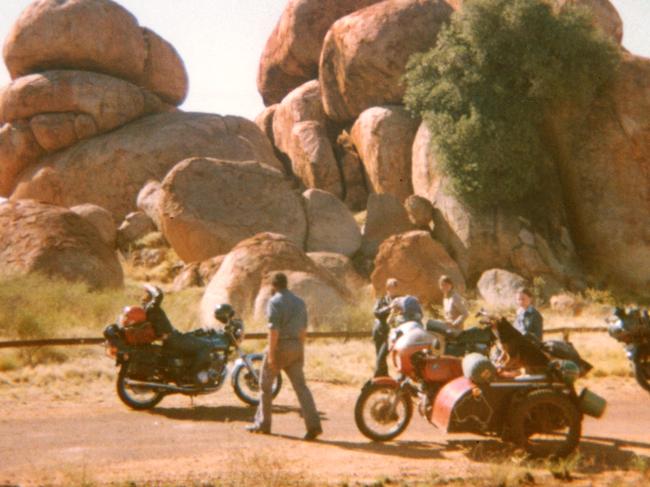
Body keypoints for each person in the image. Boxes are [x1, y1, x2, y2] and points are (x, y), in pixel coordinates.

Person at [246, 272, 322, 440]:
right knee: (301, 388)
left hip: (280, 346)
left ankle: (263, 424)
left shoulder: (274, 302)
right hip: (296, 345)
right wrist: (301, 350)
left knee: (265, 386)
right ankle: (314, 425)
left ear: (273, 286)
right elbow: (303, 330)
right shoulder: (299, 302)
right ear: (286, 284)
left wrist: (272, 354)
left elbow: (273, 331)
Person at [142, 285, 212, 385]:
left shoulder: (146, 308)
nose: (143, 296)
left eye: (146, 293)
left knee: (192, 337)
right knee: (207, 345)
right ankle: (192, 375)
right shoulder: (152, 307)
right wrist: (153, 290)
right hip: (173, 339)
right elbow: (158, 296)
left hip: (172, 338)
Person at [372, 278, 400, 377]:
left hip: (390, 332)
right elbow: (376, 313)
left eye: (396, 287)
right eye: (392, 287)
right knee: (379, 355)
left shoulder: (400, 300)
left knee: (382, 355)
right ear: (387, 288)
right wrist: (389, 308)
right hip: (378, 330)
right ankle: (384, 377)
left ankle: (376, 378)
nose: (394, 290)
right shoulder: (381, 300)